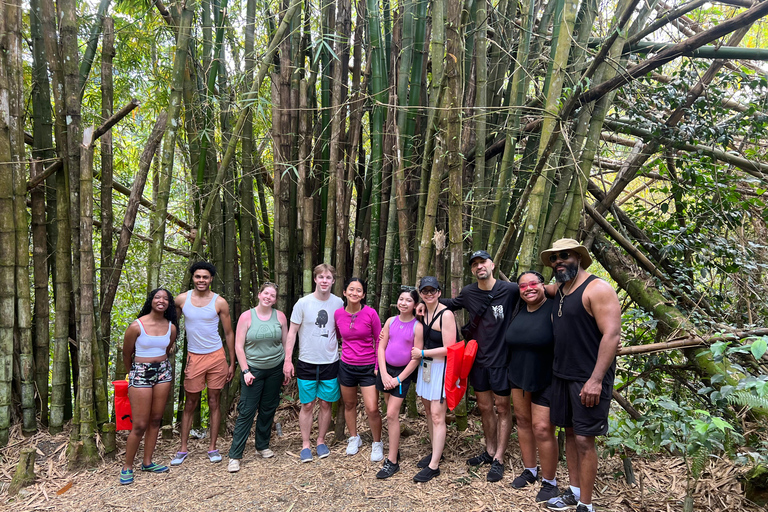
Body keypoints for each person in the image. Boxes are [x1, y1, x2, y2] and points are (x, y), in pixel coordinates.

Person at [540, 239, 621, 512]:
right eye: (554, 259)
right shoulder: (561, 289)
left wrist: (596, 379)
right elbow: (536, 289)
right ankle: (574, 492)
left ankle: (586, 505)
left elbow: (611, 334)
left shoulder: (597, 289)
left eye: (564, 256)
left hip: (588, 377)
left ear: (579, 257)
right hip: (562, 374)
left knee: (586, 439)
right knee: (572, 434)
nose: (558, 262)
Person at [171, 261, 236, 465]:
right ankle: (183, 448)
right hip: (194, 356)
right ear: (193, 278)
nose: (201, 280)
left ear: (211, 279)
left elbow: (228, 333)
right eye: (198, 276)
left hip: (216, 357)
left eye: (205, 277)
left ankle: (212, 447)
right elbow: (173, 325)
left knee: (214, 401)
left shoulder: (219, 302)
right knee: (190, 402)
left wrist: (231, 362)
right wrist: (170, 343)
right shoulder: (182, 299)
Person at [505, 271, 559, 502]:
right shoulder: (517, 307)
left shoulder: (556, 308)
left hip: (546, 377)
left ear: (543, 285)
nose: (528, 288)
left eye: (533, 284)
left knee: (542, 429)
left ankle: (550, 482)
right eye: (523, 285)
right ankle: (530, 470)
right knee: (523, 422)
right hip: (518, 374)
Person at [283, 264, 344, 463]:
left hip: (330, 361)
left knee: (326, 403)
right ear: (315, 279)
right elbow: (291, 333)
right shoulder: (303, 303)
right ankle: (305, 444)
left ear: (333, 281)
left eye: (328, 277)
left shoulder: (338, 303)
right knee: (308, 404)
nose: (325, 281)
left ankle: (320, 441)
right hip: (306, 361)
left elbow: (342, 330)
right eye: (321, 277)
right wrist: (287, 360)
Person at [227, 282, 289, 473]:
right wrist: (245, 371)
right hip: (253, 369)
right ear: (259, 294)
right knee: (247, 410)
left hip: (275, 368)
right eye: (266, 293)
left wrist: (287, 364)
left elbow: (286, 342)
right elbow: (239, 346)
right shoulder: (247, 316)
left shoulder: (280, 316)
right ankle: (235, 455)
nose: (268, 297)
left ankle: (262, 445)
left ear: (275, 299)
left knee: (268, 408)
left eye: (273, 295)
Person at [120, 288, 178, 485]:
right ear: (151, 301)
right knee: (140, 424)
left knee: (155, 419)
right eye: (157, 297)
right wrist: (133, 374)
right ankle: (127, 466)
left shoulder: (171, 327)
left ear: (169, 304)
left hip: (163, 371)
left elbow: (168, 349)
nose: (161, 301)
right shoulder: (136, 326)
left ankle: (147, 462)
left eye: (166, 298)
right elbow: (126, 354)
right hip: (140, 372)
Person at [375, 287, 424, 479]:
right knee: (390, 412)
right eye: (401, 299)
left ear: (415, 305)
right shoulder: (390, 321)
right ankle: (395, 450)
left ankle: (392, 461)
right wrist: (384, 373)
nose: (403, 303)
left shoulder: (417, 326)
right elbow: (381, 346)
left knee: (391, 414)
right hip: (386, 370)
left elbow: (416, 357)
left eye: (408, 300)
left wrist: (397, 379)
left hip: (402, 374)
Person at [411, 276, 457, 483]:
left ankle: (434, 465)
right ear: (420, 293)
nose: (429, 294)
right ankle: (435, 452)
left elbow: (450, 348)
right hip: (426, 367)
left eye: (433, 291)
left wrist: (422, 352)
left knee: (438, 416)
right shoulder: (422, 311)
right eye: (425, 291)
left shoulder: (446, 315)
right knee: (429, 412)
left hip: (441, 369)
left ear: (439, 292)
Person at [334, 278, 384, 461]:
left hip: (368, 366)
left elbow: (379, 340)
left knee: (372, 408)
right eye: (351, 289)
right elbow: (339, 336)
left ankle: (377, 443)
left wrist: (378, 366)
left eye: (359, 290)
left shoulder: (370, 313)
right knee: (349, 404)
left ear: (363, 295)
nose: (355, 293)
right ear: (345, 292)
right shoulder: (338, 314)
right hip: (346, 365)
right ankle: (354, 437)